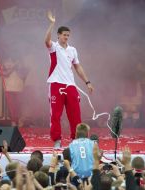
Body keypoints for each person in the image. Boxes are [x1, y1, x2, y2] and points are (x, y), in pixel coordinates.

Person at [44, 11, 94, 148]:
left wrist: (87, 82)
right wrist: (52, 23)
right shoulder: (54, 47)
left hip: (70, 85)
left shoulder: (72, 50)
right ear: (58, 35)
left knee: (75, 115)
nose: (66, 37)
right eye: (64, 35)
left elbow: (78, 67)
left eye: (68, 35)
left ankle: (76, 140)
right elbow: (46, 40)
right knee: (56, 115)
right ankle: (57, 141)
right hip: (55, 84)